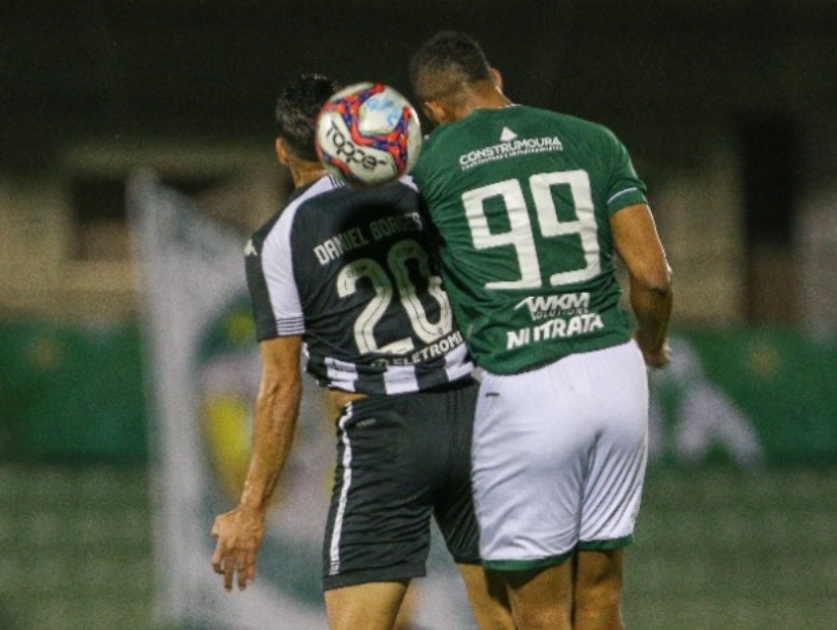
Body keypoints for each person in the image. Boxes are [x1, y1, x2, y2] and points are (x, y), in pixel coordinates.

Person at [210, 73, 513, 630]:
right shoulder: (422, 189)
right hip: (475, 415)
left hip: (384, 431)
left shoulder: (280, 240)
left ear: (282, 150)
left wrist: (251, 508)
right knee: (510, 618)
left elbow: (281, 386)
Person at [408, 31, 673, 630]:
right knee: (601, 598)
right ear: (495, 77)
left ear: (435, 110)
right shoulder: (593, 139)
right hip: (615, 370)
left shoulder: (430, 164)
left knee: (539, 612)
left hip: (524, 383)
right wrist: (651, 344)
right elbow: (652, 278)